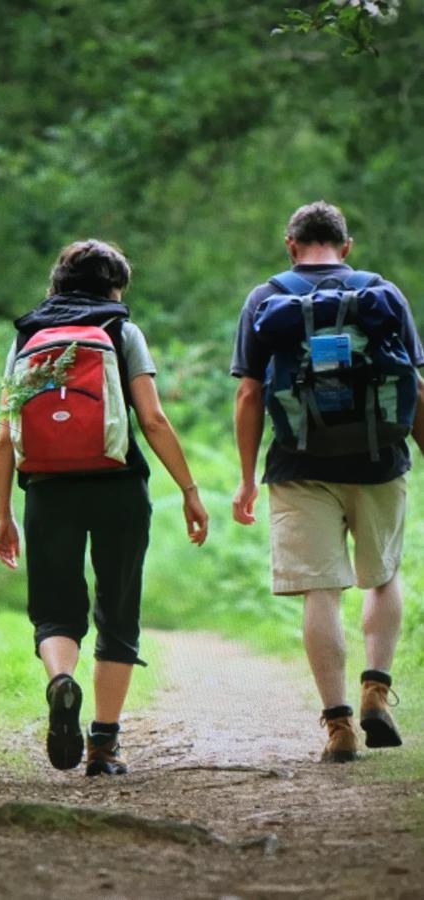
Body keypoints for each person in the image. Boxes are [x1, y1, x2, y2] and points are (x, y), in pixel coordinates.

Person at [0, 239, 208, 776]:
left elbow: (5, 434)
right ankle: (104, 745)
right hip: (118, 486)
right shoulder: (122, 331)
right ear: (115, 287)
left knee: (54, 608)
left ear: (57, 282)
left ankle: (60, 681)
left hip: (46, 487)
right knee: (118, 609)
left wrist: (3, 514)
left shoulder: (27, 336)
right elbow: (153, 419)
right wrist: (188, 489)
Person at [231, 200, 424, 762]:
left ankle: (338, 726)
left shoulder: (266, 299)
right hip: (378, 460)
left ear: (290, 244)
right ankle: (376, 688)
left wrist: (246, 479)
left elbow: (248, 394)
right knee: (382, 576)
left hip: (298, 465)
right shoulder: (382, 293)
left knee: (322, 591)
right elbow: (412, 382)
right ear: (347, 245)